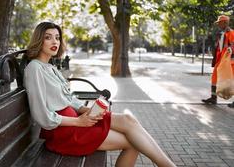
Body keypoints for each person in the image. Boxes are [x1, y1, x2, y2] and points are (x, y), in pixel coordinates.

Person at [24, 22, 176, 167]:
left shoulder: (50, 67)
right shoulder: (34, 68)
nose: (54, 41)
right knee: (134, 143)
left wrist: (87, 110)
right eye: (48, 37)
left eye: (57, 37)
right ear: (39, 40)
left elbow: (67, 99)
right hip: (65, 133)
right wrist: (78, 122)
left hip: (77, 121)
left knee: (129, 122)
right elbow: (41, 115)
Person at [202, 15, 234, 108]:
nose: (218, 24)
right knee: (214, 78)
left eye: (220, 22)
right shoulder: (221, 34)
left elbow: (233, 45)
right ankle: (213, 98)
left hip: (230, 61)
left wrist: (230, 49)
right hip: (220, 61)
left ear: (225, 23)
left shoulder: (231, 33)